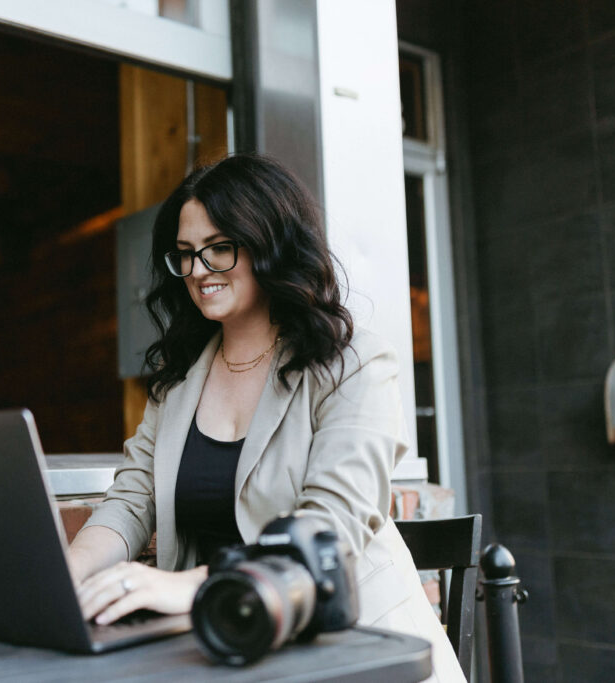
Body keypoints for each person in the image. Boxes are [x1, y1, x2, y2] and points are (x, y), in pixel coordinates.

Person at [68, 154, 464, 682]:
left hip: (353, 648)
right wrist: (65, 577)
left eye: (219, 249)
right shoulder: (180, 379)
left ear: (270, 246)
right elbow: (130, 502)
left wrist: (193, 585)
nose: (198, 270)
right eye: (185, 254)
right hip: (228, 644)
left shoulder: (355, 364)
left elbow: (329, 526)